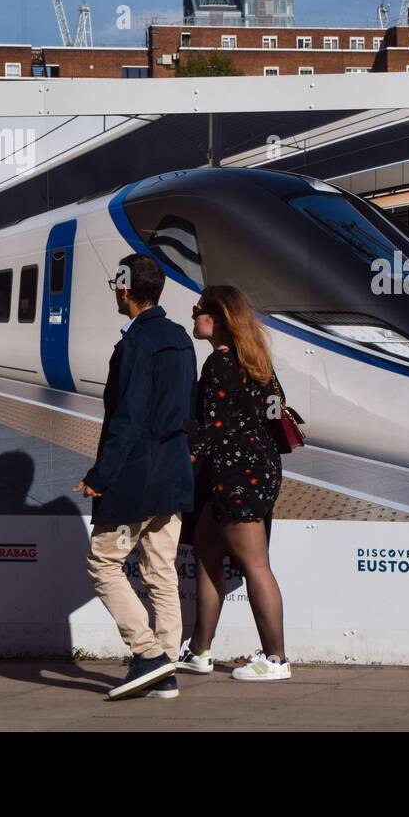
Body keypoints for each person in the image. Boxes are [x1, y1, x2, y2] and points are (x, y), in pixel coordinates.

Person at [74, 254, 197, 701]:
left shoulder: (134, 345)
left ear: (125, 290)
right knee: (161, 571)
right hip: (174, 474)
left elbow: (127, 418)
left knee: (104, 563)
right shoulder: (182, 340)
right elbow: (190, 411)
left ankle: (147, 655)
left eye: (115, 285)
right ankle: (164, 673)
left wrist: (100, 476)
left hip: (137, 476)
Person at [179, 284, 290, 682]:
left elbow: (211, 430)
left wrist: (181, 462)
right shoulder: (255, 361)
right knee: (207, 555)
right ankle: (199, 651)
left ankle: (276, 659)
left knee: (255, 565)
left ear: (218, 318)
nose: (193, 316)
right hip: (256, 467)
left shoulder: (219, 365)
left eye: (197, 310)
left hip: (234, 473)